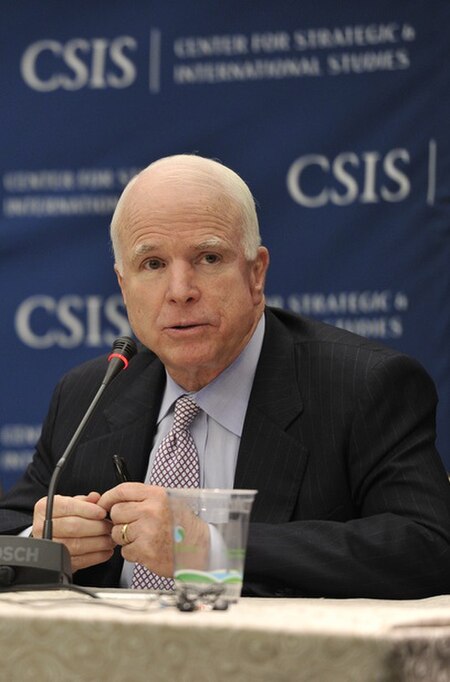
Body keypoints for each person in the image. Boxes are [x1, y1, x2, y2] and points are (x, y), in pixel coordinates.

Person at [0, 154, 449, 598]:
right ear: (123, 285)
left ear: (256, 273)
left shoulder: (361, 386)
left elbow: (429, 547)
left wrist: (211, 550)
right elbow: (11, 532)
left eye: (209, 258)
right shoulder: (89, 394)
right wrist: (38, 545)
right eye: (153, 264)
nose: (180, 292)